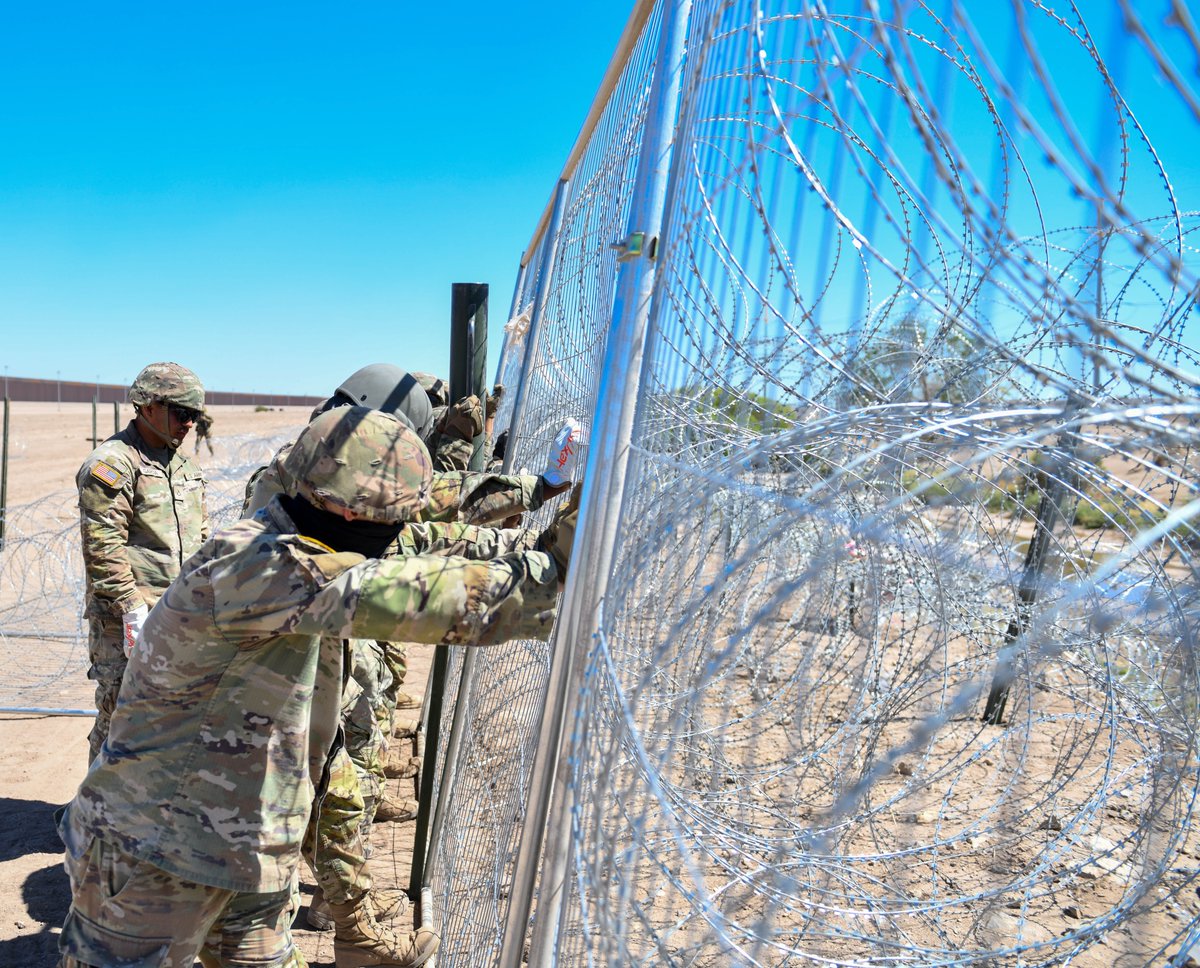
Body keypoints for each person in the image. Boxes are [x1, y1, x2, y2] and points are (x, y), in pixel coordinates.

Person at [57, 406, 573, 968]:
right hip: (154, 850)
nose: (399, 529)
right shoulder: (260, 565)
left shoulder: (305, 537)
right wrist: (564, 560)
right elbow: (427, 596)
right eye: (390, 515)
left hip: (246, 847)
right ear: (345, 509)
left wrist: (547, 538)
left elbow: (422, 546)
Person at [75, 361, 208, 763]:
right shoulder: (115, 464)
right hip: (126, 620)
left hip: (177, 614)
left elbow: (198, 538)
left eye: (195, 417)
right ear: (148, 406)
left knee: (172, 720)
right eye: (181, 414)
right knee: (121, 718)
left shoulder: (182, 464)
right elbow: (103, 545)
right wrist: (131, 609)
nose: (188, 425)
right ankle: (91, 818)